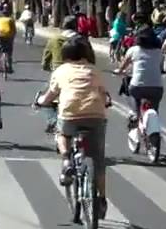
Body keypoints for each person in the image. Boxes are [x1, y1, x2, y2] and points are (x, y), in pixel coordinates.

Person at [35, 38, 111, 215]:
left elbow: (50, 95)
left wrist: (40, 101)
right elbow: (104, 94)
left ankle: (67, 159)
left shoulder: (61, 70)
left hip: (70, 113)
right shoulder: (95, 70)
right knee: (98, 161)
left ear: (66, 55)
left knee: (62, 132)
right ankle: (101, 200)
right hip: (96, 115)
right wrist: (106, 102)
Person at [115, 26, 165, 116]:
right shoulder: (159, 52)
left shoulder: (133, 50)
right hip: (157, 88)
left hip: (137, 87)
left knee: (136, 106)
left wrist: (119, 71)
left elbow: (122, 67)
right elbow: (159, 67)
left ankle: (137, 116)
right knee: (155, 111)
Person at [0, 8, 17, 73]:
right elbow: (14, 30)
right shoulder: (11, 20)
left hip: (0, 36)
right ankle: (10, 67)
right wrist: (13, 37)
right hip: (9, 37)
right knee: (9, 52)